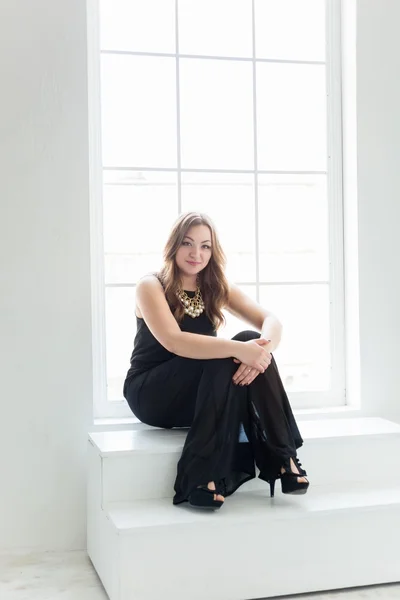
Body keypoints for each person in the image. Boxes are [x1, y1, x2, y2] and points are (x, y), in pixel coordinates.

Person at [123, 211, 309, 510]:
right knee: (226, 351)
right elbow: (175, 341)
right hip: (153, 392)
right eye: (187, 243)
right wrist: (239, 351)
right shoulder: (151, 286)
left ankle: (284, 459)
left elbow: (271, 320)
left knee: (248, 336)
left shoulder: (214, 285)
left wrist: (259, 354)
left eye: (205, 246)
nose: (196, 253)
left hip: (201, 396)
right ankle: (204, 475)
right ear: (173, 246)